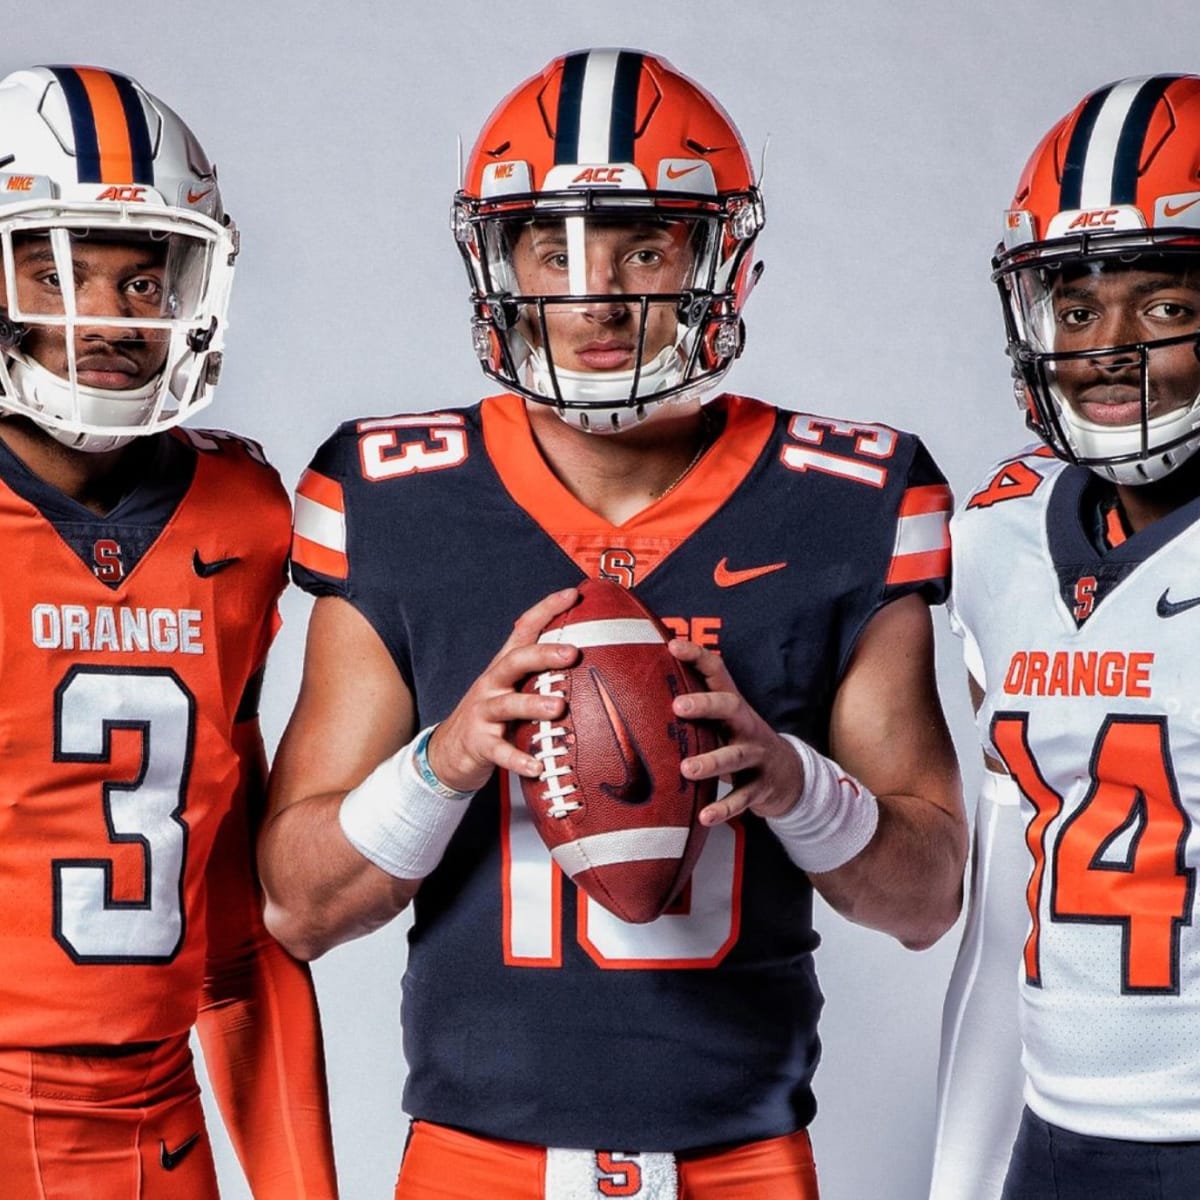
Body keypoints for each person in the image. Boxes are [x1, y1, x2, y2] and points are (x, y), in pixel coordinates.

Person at [260, 47, 965, 1200]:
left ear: (714, 258)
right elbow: (296, 903)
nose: (596, 295)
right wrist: (441, 764)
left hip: (743, 1159)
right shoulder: (394, 493)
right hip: (473, 1160)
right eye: (555, 247)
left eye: (643, 244)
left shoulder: (850, 495)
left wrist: (796, 784)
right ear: (501, 264)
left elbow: (927, 899)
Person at [0, 65, 338, 1199]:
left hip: (155, 1121)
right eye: (58, 272)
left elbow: (238, 929)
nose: (108, 316)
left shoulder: (247, 518)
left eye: (145, 279)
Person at [931, 73, 1200, 1200]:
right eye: (1078, 308)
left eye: (1168, 305)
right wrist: (962, 1172)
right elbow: (1005, 914)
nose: (1108, 348)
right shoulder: (997, 540)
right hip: (1060, 1138)